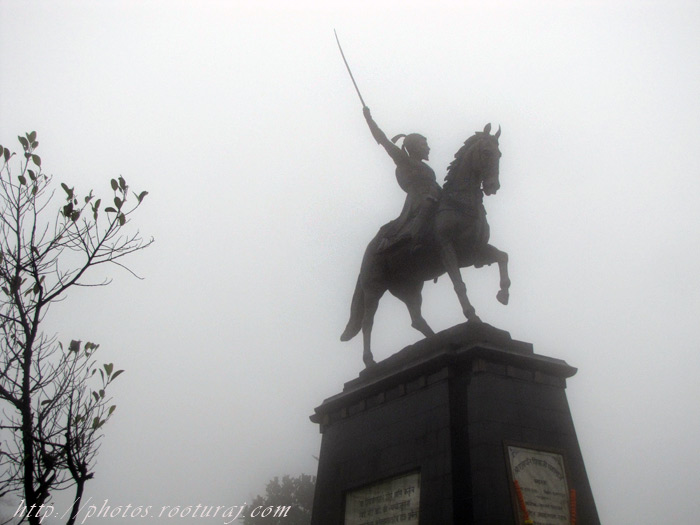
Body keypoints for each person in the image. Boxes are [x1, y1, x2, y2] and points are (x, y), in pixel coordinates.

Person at [363, 106, 441, 252]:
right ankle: (409, 235)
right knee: (428, 204)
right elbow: (383, 140)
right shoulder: (404, 160)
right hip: (420, 199)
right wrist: (369, 119)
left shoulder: (426, 167)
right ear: (414, 147)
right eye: (424, 145)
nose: (428, 148)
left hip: (435, 194)